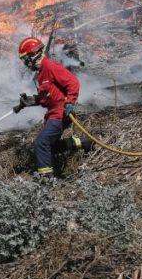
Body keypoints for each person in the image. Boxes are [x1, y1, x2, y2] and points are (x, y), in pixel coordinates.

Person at [13, 36, 90, 176]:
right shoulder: (41, 73)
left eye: (26, 59)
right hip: (53, 115)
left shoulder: (50, 66)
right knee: (52, 147)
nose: (26, 63)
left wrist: (70, 103)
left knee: (41, 143)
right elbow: (47, 97)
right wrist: (31, 101)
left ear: (33, 54)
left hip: (60, 114)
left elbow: (73, 82)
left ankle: (46, 180)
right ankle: (84, 143)